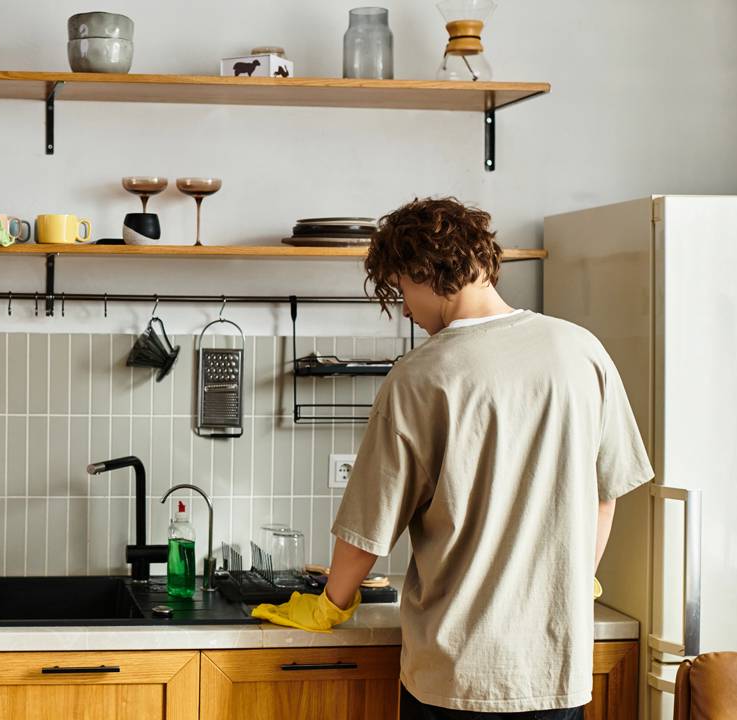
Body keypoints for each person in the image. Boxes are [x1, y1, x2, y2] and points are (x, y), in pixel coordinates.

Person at [252, 198, 652, 718]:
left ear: (423, 272)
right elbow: (605, 494)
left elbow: (367, 528)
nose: (404, 309)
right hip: (555, 670)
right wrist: (572, 583)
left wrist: (329, 605)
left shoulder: (421, 375)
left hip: (457, 675)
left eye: (400, 290)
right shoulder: (582, 351)